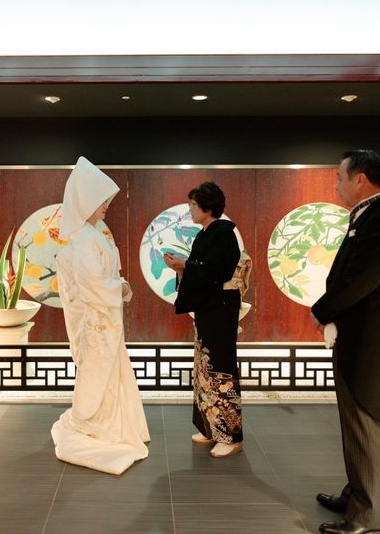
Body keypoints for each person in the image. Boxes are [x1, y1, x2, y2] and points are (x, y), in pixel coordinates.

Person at [311, 150, 380, 534]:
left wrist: (321, 311)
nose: (336, 184)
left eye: (339, 177)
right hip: (356, 335)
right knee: (353, 422)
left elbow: (360, 280)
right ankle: (356, 493)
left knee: (364, 423)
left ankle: (369, 518)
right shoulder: (368, 216)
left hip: (370, 340)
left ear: (360, 179)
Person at [51, 156, 149, 475]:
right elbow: (91, 282)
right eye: (102, 200)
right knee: (98, 373)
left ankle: (113, 425)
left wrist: (117, 285)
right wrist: (117, 286)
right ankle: (98, 425)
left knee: (109, 371)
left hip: (104, 318)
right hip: (96, 321)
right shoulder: (83, 238)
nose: (106, 206)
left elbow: (102, 276)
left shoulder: (93, 234)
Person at [164, 181, 243, 458]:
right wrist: (182, 267)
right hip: (208, 306)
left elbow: (219, 272)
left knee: (221, 367)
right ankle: (210, 427)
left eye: (193, 205)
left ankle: (230, 436)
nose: (190, 209)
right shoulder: (204, 234)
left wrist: (185, 265)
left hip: (221, 307)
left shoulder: (224, 233)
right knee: (204, 368)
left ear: (208, 207)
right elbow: (201, 269)